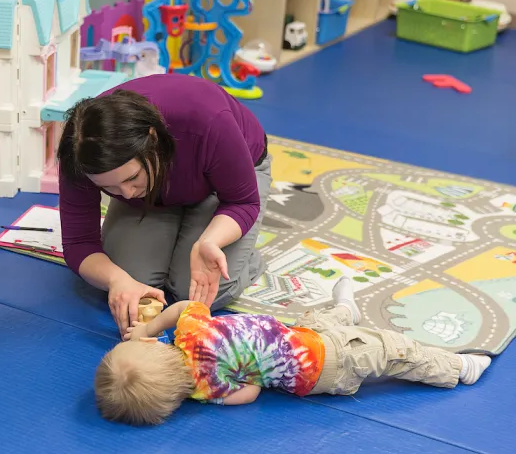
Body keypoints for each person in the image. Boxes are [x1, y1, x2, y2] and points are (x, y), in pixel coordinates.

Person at [93, 277, 493, 426]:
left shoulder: (206, 390)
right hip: (328, 365)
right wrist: (147, 325)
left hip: (307, 349)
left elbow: (248, 393)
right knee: (394, 351)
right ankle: (455, 368)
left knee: (322, 322)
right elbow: (181, 306)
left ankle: (346, 310)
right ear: (150, 344)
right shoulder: (188, 329)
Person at [56, 73, 271, 335]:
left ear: (153, 139)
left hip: (222, 187)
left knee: (200, 294)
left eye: (132, 178)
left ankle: (248, 258)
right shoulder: (79, 151)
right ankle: (171, 223)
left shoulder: (206, 119)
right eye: (108, 188)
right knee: (133, 284)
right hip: (160, 194)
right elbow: (78, 243)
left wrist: (210, 242)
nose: (126, 194)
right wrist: (117, 280)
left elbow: (242, 201)